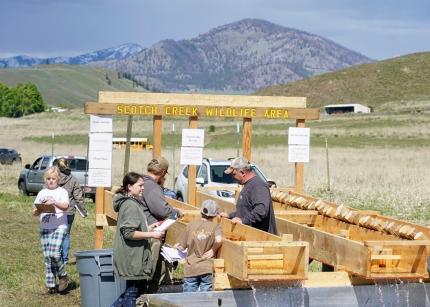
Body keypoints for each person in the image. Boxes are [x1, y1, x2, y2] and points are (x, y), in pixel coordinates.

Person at [112, 172, 164, 304]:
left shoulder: (131, 203)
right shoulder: (130, 205)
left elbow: (133, 228)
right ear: (130, 187)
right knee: (132, 294)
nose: (143, 188)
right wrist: (152, 234)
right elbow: (129, 233)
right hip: (132, 258)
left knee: (130, 292)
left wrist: (150, 227)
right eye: (140, 185)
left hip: (132, 256)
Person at [141, 157, 183, 292]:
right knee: (152, 268)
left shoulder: (141, 181)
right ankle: (147, 293)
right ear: (163, 172)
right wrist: (175, 211)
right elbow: (161, 210)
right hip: (151, 232)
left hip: (143, 229)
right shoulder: (152, 186)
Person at [32, 166, 70, 294]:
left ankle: (63, 276)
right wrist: (40, 208)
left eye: (53, 178)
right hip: (45, 226)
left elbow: (65, 206)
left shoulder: (62, 191)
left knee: (54, 253)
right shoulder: (42, 193)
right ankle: (51, 286)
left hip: (60, 225)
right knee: (47, 257)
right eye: (48, 179)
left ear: (58, 179)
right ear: (45, 179)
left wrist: (54, 203)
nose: (51, 181)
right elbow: (34, 212)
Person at [220, 157, 278, 235]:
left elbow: (261, 210)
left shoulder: (258, 185)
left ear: (242, 173)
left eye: (234, 174)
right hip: (251, 236)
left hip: (261, 239)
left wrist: (244, 221)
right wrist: (229, 216)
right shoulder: (248, 185)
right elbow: (245, 210)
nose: (233, 178)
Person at [175, 199, 222, 292]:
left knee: (189, 300)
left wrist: (176, 246)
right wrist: (213, 250)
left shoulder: (190, 225)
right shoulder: (215, 227)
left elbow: (181, 247)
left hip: (191, 267)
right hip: (206, 267)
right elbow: (219, 240)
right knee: (204, 300)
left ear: (201, 212)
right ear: (214, 215)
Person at [53, 158, 88, 265]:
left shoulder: (54, 178)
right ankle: (65, 260)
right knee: (66, 234)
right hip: (69, 210)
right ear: (67, 165)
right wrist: (84, 211)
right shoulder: (73, 179)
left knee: (56, 233)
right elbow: (78, 198)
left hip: (54, 210)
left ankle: (55, 256)